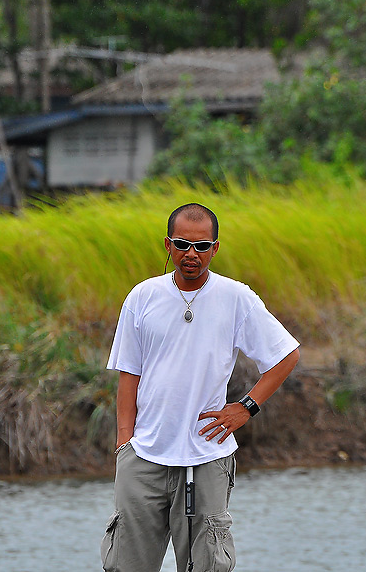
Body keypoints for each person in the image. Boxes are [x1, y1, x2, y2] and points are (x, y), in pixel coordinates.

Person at [100, 203, 300, 572]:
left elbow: (286, 355)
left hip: (207, 456)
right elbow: (128, 374)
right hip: (144, 456)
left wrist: (246, 407)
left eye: (202, 246)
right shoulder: (142, 297)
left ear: (215, 248)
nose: (192, 254)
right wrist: (124, 443)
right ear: (168, 245)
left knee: (207, 566)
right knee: (124, 566)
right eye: (182, 244)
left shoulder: (236, 297)